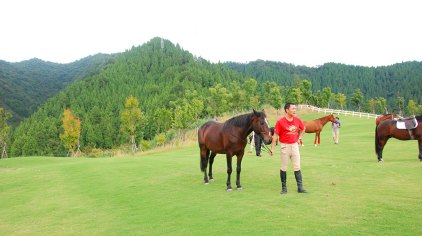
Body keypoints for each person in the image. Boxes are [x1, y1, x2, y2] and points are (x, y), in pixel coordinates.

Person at [270, 102, 307, 194]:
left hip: (295, 146)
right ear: (287, 110)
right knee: (284, 167)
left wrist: (299, 138)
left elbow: (303, 129)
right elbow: (275, 136)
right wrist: (273, 148)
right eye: (293, 109)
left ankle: (300, 187)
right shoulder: (280, 122)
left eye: (295, 108)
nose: (295, 110)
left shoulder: (297, 120)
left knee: (297, 167)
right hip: (284, 147)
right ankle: (284, 188)